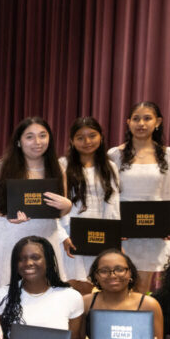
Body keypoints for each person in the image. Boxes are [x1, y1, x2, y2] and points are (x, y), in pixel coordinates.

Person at [0, 117, 72, 303]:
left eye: (42, 136)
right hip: (9, 235)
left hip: (46, 237)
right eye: (30, 137)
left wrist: (66, 206)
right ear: (19, 142)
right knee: (6, 288)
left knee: (42, 289)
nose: (37, 142)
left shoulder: (57, 168)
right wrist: (6, 214)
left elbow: (58, 210)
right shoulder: (3, 166)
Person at [109, 101, 170, 294]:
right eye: (136, 119)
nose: (141, 123)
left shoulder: (169, 154)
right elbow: (110, 195)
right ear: (128, 122)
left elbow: (169, 192)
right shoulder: (115, 154)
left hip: (153, 229)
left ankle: (136, 324)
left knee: (141, 289)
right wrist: (113, 225)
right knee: (118, 285)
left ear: (158, 122)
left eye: (147, 118)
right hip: (123, 230)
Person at [59, 117, 120, 294]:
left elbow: (113, 204)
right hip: (71, 232)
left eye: (92, 136)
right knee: (70, 286)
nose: (87, 142)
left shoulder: (109, 166)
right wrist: (63, 234)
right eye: (80, 137)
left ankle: (85, 322)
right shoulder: (62, 165)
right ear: (71, 140)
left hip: (98, 233)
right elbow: (58, 204)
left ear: (101, 137)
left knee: (89, 286)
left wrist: (113, 236)